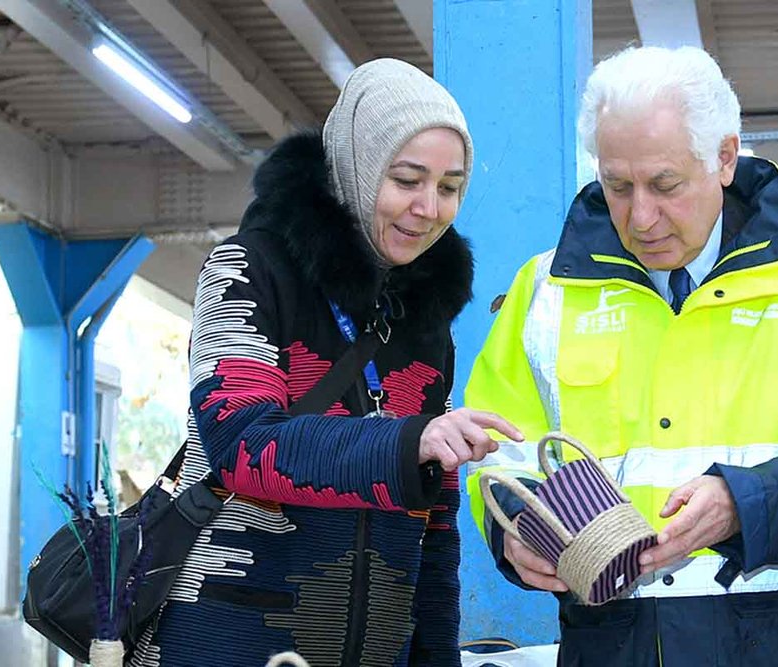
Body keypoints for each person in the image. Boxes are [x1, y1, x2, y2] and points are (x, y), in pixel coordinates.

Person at [465, 45, 778, 665]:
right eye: (617, 186)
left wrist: (746, 503)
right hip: (613, 645)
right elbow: (502, 453)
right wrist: (516, 527)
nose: (641, 216)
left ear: (725, 157)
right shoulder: (544, 291)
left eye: (665, 185)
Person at [133, 59, 521, 666]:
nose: (428, 207)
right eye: (406, 179)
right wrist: (405, 443)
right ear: (356, 169)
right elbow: (243, 446)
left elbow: (435, 525)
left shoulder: (424, 319)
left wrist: (436, 656)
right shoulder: (248, 273)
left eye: (449, 188)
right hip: (228, 638)